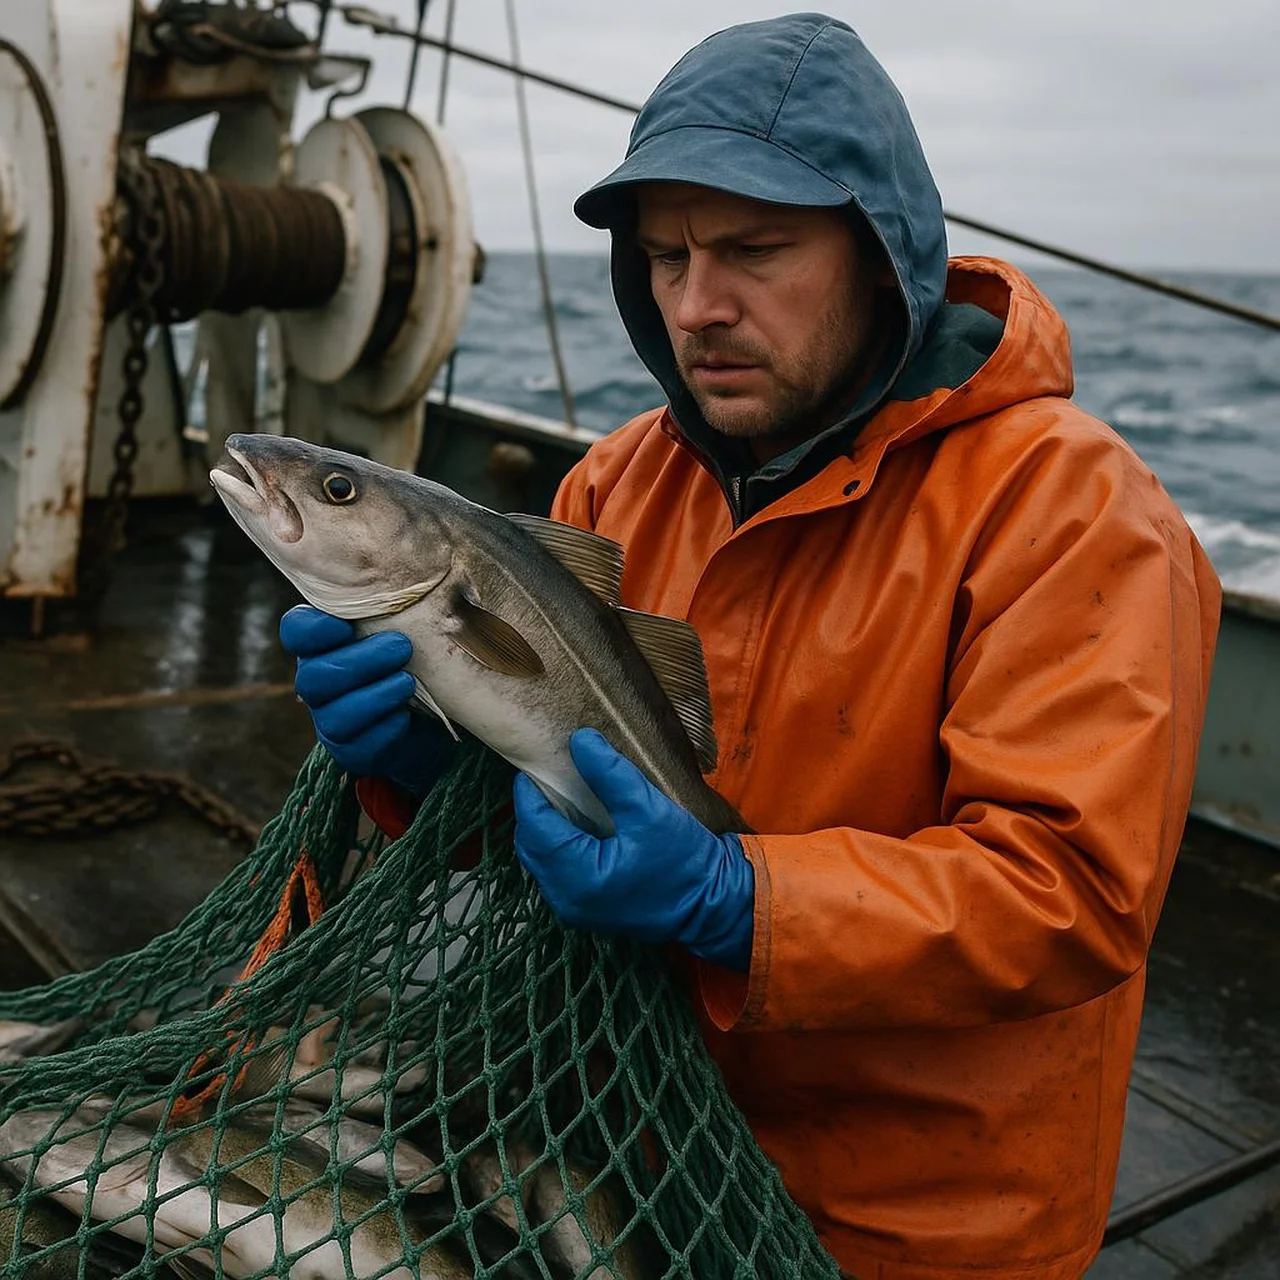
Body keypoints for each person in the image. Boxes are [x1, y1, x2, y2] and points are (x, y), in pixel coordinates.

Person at [278, 13, 1221, 1278]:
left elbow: (1068, 892)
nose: (697, 304)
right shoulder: (616, 484)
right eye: (662, 257)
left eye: (755, 249)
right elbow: (549, 791)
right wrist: (426, 764)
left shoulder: (1074, 512)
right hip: (616, 1138)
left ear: (883, 255)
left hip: (909, 1219)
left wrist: (740, 900)